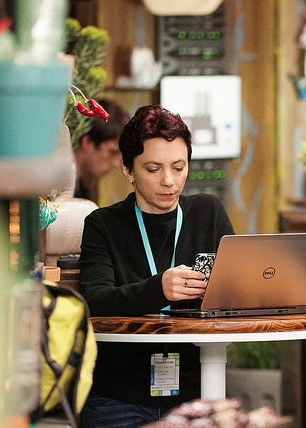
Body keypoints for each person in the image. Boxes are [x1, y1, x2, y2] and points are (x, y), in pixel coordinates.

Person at [78, 105, 235, 427]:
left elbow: (236, 293)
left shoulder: (208, 213)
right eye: (152, 169)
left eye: (179, 167)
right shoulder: (103, 224)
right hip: (118, 395)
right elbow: (94, 301)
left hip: (199, 389)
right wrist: (157, 289)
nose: (169, 181)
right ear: (127, 169)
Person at [73, 98, 130, 202]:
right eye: (112, 152)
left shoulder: (81, 191)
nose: (116, 163)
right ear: (87, 142)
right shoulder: (55, 188)